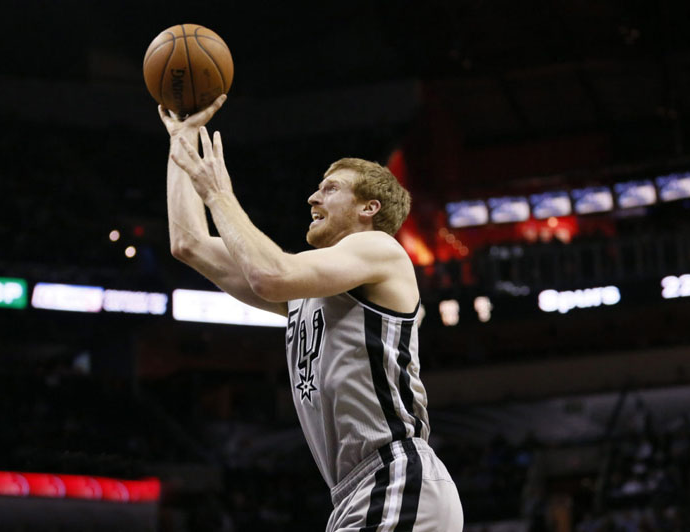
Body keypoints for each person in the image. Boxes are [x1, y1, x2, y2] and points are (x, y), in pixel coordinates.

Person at [160, 94, 464, 532]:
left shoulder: (379, 249)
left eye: (330, 188)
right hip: (353, 491)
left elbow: (269, 274)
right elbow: (187, 243)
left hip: (395, 477)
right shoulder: (309, 291)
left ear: (369, 209)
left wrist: (218, 192)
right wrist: (182, 141)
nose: (312, 197)